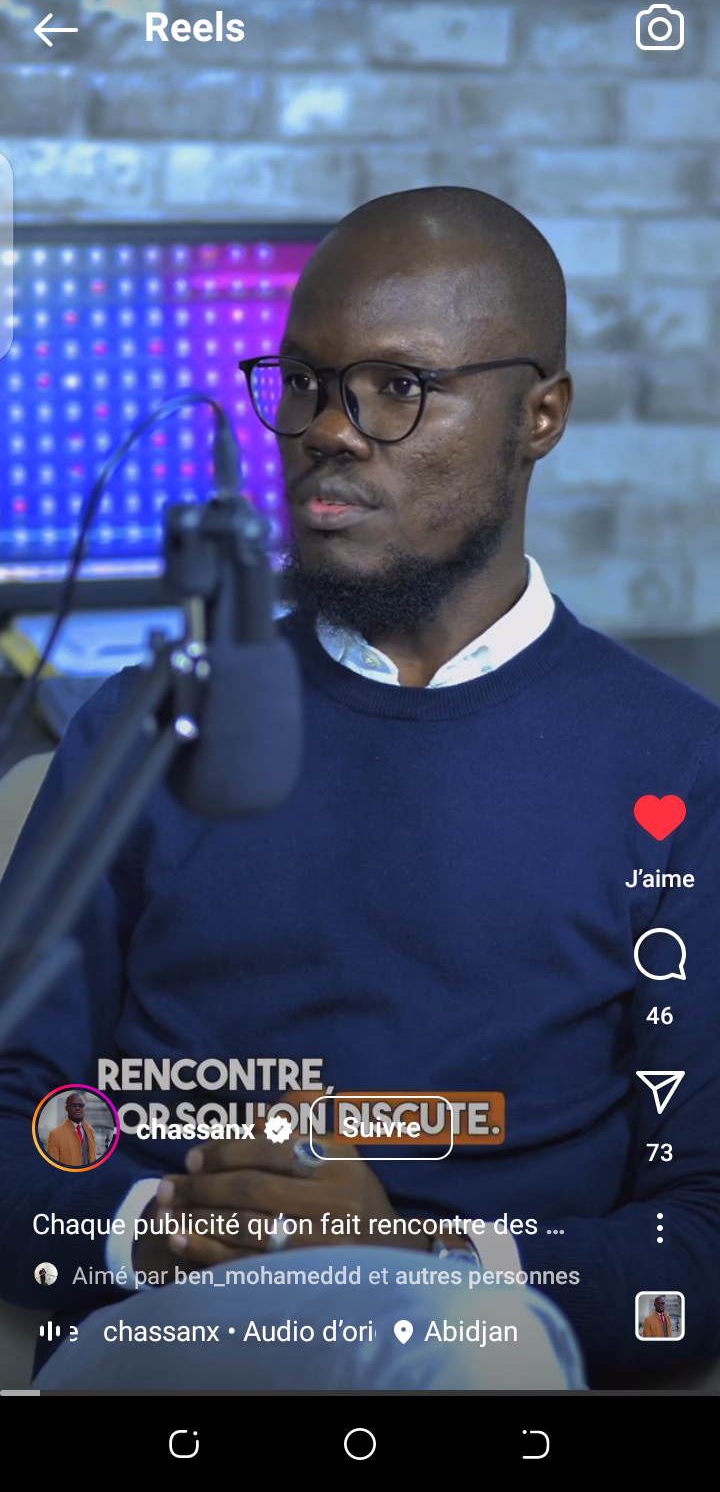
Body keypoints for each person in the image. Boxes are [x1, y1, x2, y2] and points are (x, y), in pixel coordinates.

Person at [1, 186, 719, 1391]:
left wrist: (414, 1254)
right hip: (174, 1333)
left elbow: (698, 1232)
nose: (329, 428)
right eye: (304, 382)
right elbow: (13, 1109)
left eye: (399, 386)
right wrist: (167, 1225)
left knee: (458, 1338)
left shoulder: (681, 770)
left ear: (540, 415)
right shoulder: (142, 729)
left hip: (493, 1343)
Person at [46, 1094, 97, 1168]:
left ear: (84, 1108)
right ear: (66, 1108)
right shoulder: (55, 1134)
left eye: (81, 1105)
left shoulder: (90, 1131)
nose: (77, 1108)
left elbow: (93, 1159)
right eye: (73, 1105)